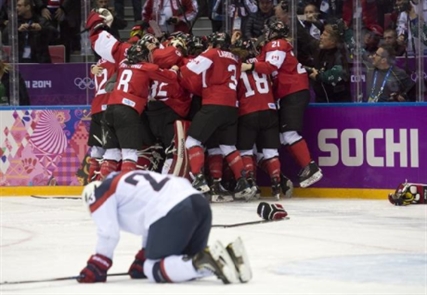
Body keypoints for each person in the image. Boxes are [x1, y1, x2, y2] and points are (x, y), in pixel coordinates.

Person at [77, 170, 252, 284]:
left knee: (152, 268)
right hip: (199, 202)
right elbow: (150, 220)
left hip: (174, 209)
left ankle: (204, 261)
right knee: (185, 258)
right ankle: (230, 257)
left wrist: (98, 265)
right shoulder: (123, 181)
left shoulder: (98, 193)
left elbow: (108, 232)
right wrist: (144, 253)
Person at [241, 20, 323, 188]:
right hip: (291, 92)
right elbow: (265, 62)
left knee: (288, 134)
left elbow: (271, 66)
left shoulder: (277, 43)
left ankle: (310, 167)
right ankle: (289, 173)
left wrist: (248, 67)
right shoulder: (275, 46)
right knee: (281, 136)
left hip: (292, 91)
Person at [307, 22, 351, 103]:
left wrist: (318, 76)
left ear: (333, 41)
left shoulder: (341, 53)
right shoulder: (321, 49)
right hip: (321, 98)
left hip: (338, 103)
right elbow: (306, 39)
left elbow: (337, 72)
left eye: (324, 35)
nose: (321, 37)